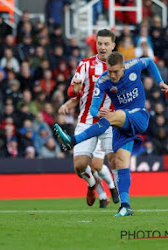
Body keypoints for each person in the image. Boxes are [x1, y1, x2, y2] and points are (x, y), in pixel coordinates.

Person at [54, 52, 168, 216]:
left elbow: (149, 62)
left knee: (114, 115)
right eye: (109, 71)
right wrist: (98, 112)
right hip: (120, 125)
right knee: (121, 162)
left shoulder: (133, 66)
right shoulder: (103, 81)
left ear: (123, 67)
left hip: (138, 115)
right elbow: (93, 108)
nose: (112, 75)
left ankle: (73, 140)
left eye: (116, 71)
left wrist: (161, 82)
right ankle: (125, 206)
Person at [58, 29, 119, 208]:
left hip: (108, 124)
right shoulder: (85, 65)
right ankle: (92, 185)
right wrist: (74, 91)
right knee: (80, 165)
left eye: (106, 44)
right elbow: (73, 90)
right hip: (86, 122)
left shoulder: (120, 67)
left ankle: (115, 191)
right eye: (100, 43)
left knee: (103, 162)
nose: (102, 47)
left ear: (113, 45)